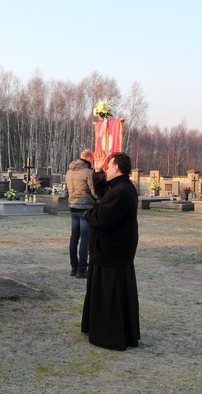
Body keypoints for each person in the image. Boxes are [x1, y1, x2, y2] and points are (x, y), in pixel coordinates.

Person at [81, 152, 140, 351]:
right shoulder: (119, 187)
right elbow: (102, 194)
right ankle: (100, 327)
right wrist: (97, 170)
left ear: (116, 168)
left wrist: (88, 214)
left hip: (112, 252)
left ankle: (109, 334)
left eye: (108, 166)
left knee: (111, 294)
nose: (106, 169)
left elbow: (102, 215)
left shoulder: (122, 191)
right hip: (111, 252)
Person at [65, 149, 98, 278]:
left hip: (73, 207)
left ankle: (74, 267)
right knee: (85, 239)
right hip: (85, 208)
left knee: (74, 238)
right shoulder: (88, 172)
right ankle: (82, 270)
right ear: (90, 159)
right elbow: (94, 192)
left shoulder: (69, 171)